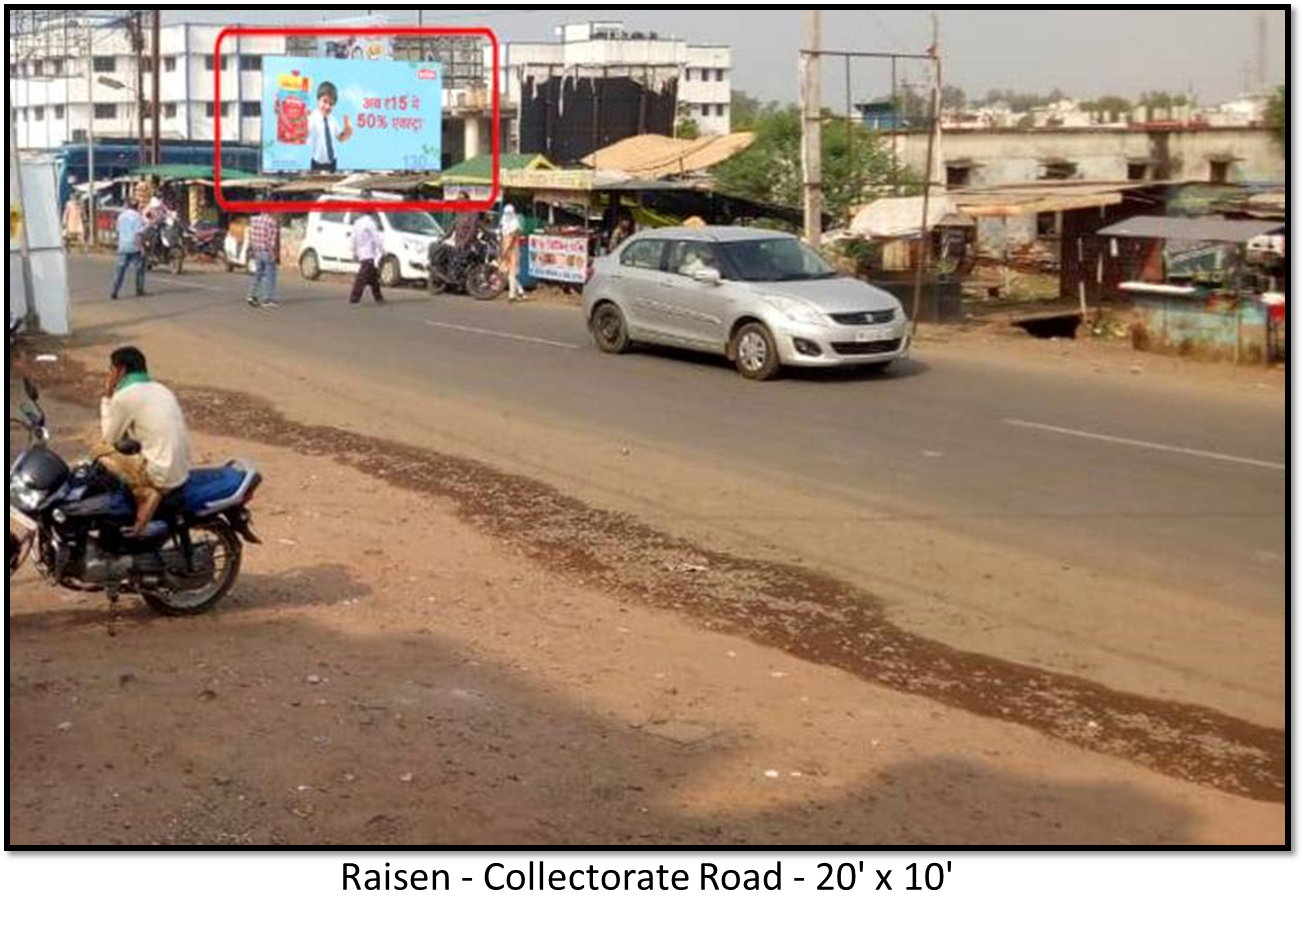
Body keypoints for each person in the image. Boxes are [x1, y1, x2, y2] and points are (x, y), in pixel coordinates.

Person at [94, 346, 192, 538]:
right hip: (181, 470)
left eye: (111, 369)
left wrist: (107, 397)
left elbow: (109, 440)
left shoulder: (125, 396)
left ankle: (146, 493)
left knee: (98, 450)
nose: (109, 374)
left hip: (160, 475)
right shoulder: (161, 389)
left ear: (120, 370)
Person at [308, 81, 353, 173]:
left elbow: (340, 138)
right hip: (317, 164)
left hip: (333, 162)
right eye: (324, 101)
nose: (327, 106)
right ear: (318, 100)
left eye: (331, 104)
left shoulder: (332, 120)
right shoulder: (312, 118)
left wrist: (347, 131)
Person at [109, 202, 147, 300]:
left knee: (120, 270)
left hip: (123, 245)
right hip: (134, 246)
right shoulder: (138, 217)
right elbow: (139, 233)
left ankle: (114, 291)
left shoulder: (121, 216)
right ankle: (139, 289)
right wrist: (141, 246)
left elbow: (117, 231)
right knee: (139, 269)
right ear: (137, 207)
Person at [246, 209, 281, 308]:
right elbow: (272, 240)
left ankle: (251, 295)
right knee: (270, 276)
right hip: (267, 251)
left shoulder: (254, 220)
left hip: (257, 250)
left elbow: (251, 236)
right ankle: (267, 299)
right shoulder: (272, 222)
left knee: (258, 274)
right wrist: (275, 254)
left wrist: (252, 248)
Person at [350, 212, 385, 305]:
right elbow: (376, 238)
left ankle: (378, 297)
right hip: (368, 253)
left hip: (361, 252)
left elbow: (353, 238)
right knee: (362, 277)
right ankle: (354, 298)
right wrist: (382, 250)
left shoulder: (357, 222)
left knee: (373, 278)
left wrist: (354, 251)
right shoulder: (371, 223)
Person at [499, 203, 525, 302]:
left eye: (509, 213)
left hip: (513, 249)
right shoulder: (504, 221)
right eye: (506, 213)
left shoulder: (515, 223)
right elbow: (502, 235)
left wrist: (507, 249)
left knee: (512, 272)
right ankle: (521, 291)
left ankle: (512, 295)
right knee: (505, 271)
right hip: (505, 247)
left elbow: (514, 239)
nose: (508, 215)